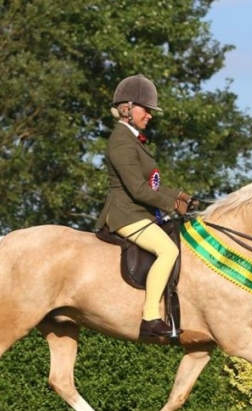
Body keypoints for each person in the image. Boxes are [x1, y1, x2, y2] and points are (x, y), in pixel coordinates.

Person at [95, 74, 194, 340]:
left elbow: (150, 185)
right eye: (145, 109)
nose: (149, 115)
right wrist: (172, 204)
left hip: (139, 212)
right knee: (167, 250)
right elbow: (137, 190)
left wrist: (182, 196)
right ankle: (150, 317)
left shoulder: (134, 140)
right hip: (125, 214)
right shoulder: (120, 141)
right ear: (127, 109)